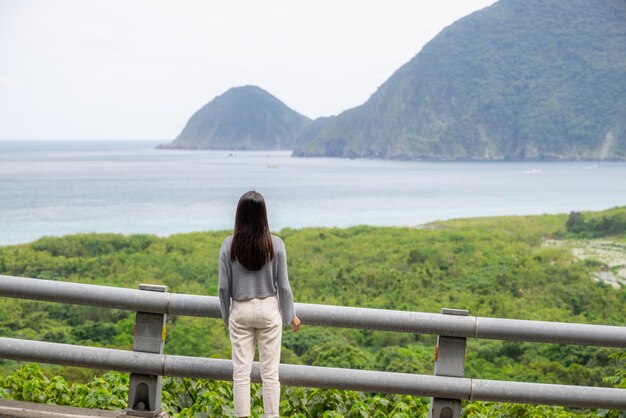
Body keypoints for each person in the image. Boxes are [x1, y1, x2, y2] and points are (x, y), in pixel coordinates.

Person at [218, 190, 301, 418]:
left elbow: (223, 288)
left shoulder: (228, 245)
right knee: (270, 373)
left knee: (241, 373)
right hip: (269, 310)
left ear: (239, 214)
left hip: (240, 310)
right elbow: (283, 286)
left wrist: (227, 316)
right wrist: (290, 315)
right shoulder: (276, 244)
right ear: (264, 215)